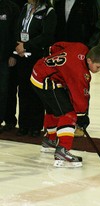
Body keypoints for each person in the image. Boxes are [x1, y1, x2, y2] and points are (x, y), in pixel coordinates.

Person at [31, 42, 100, 168]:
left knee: (55, 108)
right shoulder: (80, 72)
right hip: (46, 78)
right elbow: (79, 96)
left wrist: (51, 54)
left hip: (39, 69)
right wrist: (82, 115)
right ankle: (63, 150)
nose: (99, 70)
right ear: (89, 60)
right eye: (98, 67)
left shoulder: (81, 47)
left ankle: (50, 140)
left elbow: (57, 46)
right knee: (68, 113)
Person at [53, 0, 100, 137]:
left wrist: (87, 50)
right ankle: (62, 122)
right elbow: (54, 25)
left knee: (80, 89)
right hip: (61, 54)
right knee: (59, 87)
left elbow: (97, 27)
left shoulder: (89, 3)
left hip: (81, 54)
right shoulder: (58, 2)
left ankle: (80, 124)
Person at [13, 0, 57, 137]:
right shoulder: (25, 7)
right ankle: (23, 125)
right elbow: (17, 28)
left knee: (36, 92)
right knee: (23, 91)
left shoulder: (49, 12)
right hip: (21, 56)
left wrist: (27, 46)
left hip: (37, 58)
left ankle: (35, 126)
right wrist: (18, 46)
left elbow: (47, 35)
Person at [0, 0, 20, 133]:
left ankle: (8, 120)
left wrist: (14, 54)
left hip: (5, 58)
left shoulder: (11, 7)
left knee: (5, 90)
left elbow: (16, 32)